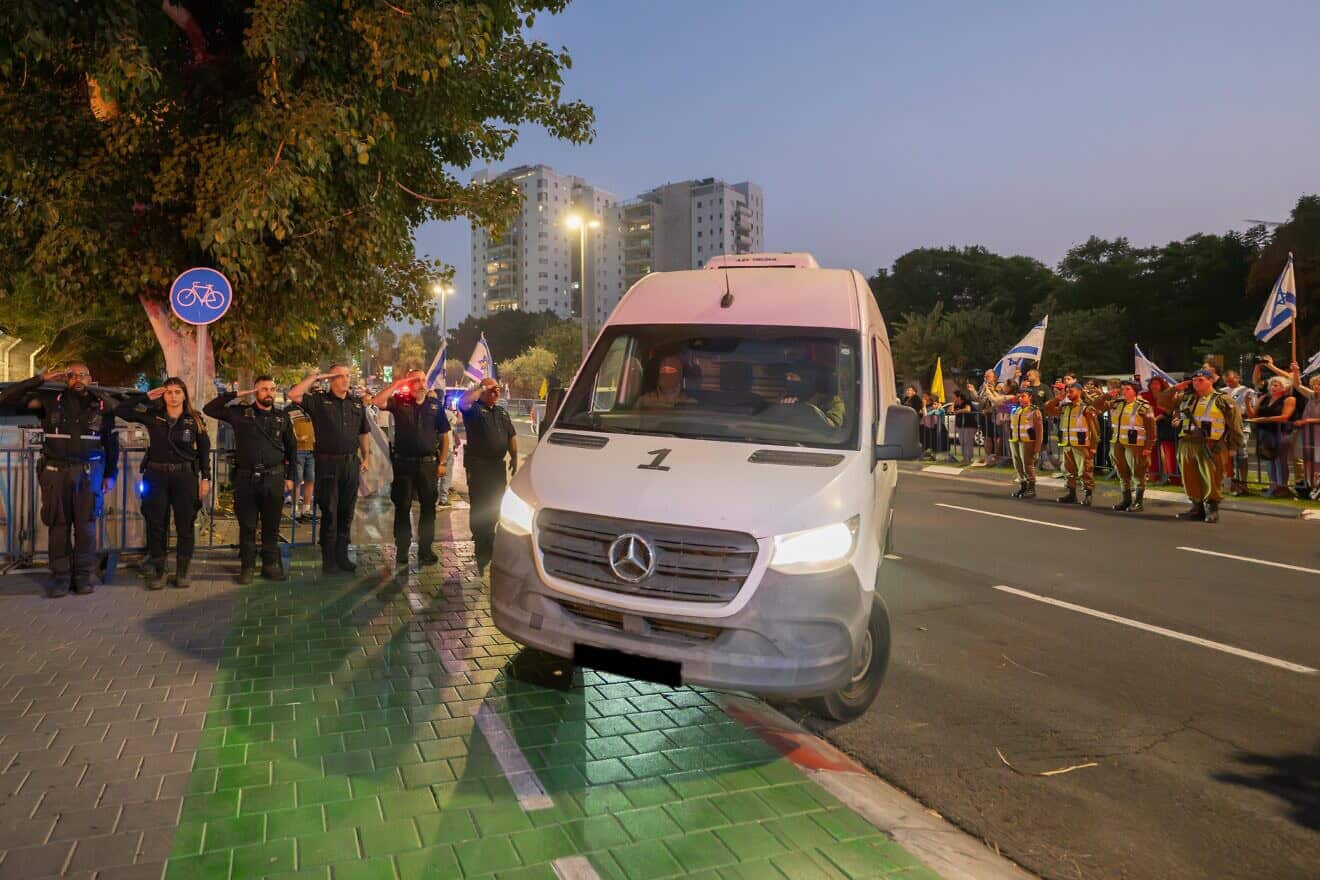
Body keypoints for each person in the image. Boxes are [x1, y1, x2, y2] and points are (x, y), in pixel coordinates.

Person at [0, 364, 119, 597]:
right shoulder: (49, 401)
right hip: (55, 473)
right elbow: (6, 397)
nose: (77, 379)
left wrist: (110, 475)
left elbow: (111, 444)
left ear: (90, 378)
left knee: (86, 528)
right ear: (65, 379)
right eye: (71, 375)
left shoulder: (103, 405)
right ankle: (61, 579)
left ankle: (82, 578)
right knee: (58, 527)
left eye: (82, 375)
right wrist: (40, 379)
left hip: (89, 474)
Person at [115, 379, 211, 589]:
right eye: (169, 392)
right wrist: (145, 397)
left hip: (184, 477)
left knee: (185, 525)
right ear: (163, 395)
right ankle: (160, 571)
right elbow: (121, 410)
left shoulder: (195, 419)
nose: (173, 396)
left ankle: (182, 572)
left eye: (177, 392)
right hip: (156, 476)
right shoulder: (153, 415)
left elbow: (204, 450)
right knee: (156, 524)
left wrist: (206, 478)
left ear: (184, 395)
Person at [205, 376, 297, 583]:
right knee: (247, 525)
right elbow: (209, 409)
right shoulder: (240, 413)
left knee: (271, 525)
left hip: (274, 477)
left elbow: (292, 448)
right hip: (246, 478)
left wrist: (291, 477)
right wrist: (237, 393)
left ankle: (269, 565)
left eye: (272, 389)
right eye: (263, 389)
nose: (269, 393)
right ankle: (247, 566)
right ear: (255, 392)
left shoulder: (282, 417)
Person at [289, 365, 371, 572]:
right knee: (330, 512)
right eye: (340, 376)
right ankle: (329, 559)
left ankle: (342, 556)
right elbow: (294, 394)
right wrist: (317, 377)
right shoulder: (319, 401)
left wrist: (366, 456)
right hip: (328, 464)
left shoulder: (356, 403)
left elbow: (363, 432)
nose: (345, 379)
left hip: (350, 463)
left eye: (347, 376)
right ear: (331, 379)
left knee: (346, 512)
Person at [373, 369, 452, 566]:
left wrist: (442, 462)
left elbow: (444, 436)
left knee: (428, 508)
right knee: (402, 507)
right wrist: (398, 383)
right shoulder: (400, 401)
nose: (421, 383)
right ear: (409, 382)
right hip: (404, 464)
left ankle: (425, 550)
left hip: (428, 465)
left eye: (424, 380)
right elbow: (377, 401)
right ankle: (402, 550)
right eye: (416, 380)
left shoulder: (434, 405)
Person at [1158, 369, 1244, 521]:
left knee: (1212, 477)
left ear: (1211, 380)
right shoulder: (1185, 397)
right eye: (1194, 380)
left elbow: (1235, 425)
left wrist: (1233, 446)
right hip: (1187, 442)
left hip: (1211, 444)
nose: (1196, 383)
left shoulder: (1223, 399)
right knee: (1189, 477)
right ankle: (1196, 508)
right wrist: (1176, 388)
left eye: (1201, 380)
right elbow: (1162, 401)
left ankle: (1212, 509)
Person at [460, 377, 518, 574]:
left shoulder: (501, 412)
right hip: (479, 466)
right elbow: (463, 402)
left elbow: (511, 435)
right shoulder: (474, 410)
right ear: (483, 390)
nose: (495, 392)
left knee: (495, 503)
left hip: (496, 468)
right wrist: (482, 387)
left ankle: (488, 537)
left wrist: (514, 456)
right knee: (479, 504)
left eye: (497, 390)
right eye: (491, 390)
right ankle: (480, 541)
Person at [1044, 382, 1099, 505]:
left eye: (1071, 391)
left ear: (1079, 392)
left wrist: (1093, 447)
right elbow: (1048, 409)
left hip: (1082, 445)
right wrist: (1058, 398)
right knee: (1069, 471)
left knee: (1085, 471)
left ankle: (1088, 495)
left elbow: (1095, 430)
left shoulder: (1086, 408)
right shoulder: (1065, 407)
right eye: (1067, 391)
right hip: (1068, 444)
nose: (1068, 394)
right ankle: (1071, 494)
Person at [1245, 374, 1297, 499]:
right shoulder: (1264, 398)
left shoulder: (1289, 399)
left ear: (1284, 388)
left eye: (1276, 385)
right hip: (1264, 432)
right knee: (1269, 460)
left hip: (1280, 432)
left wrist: (1264, 419)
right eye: (1272, 385)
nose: (1273, 387)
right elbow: (1253, 415)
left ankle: (1282, 487)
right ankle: (1273, 486)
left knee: (1280, 460)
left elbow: (1285, 417)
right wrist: (1247, 403)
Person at [1108, 379, 1156, 512]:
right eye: (1122, 389)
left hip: (1135, 445)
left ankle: (1138, 502)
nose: (1124, 391)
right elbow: (1097, 406)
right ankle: (1126, 500)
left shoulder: (1144, 406)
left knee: (1138, 473)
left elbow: (1151, 429)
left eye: (1127, 389)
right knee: (1122, 473)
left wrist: (1148, 447)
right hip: (1117, 443)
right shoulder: (1116, 404)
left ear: (1135, 391)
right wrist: (1107, 395)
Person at [1220, 370, 1253, 495]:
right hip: (1224, 428)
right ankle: (1230, 482)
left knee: (1241, 454)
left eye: (1231, 380)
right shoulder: (1221, 391)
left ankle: (1243, 482)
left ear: (1238, 377)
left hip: (1241, 427)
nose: (1228, 382)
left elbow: (1250, 411)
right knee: (1226, 456)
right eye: (1226, 380)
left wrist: (1235, 415)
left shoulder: (1247, 391)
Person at [1143, 376, 1179, 485]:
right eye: (1152, 383)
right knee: (1152, 451)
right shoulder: (1145, 395)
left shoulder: (1167, 395)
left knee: (1169, 452)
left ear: (1162, 385)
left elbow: (1172, 409)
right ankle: (1154, 475)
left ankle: (1173, 477)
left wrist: (1160, 416)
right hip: (1150, 427)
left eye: (1157, 383)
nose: (1154, 386)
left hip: (1165, 427)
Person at [1007, 386, 1042, 498]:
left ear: (1030, 397)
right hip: (1015, 440)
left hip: (1027, 441)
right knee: (1017, 464)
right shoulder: (1016, 409)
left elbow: (1039, 430)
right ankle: (1023, 485)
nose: (1020, 398)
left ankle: (1031, 488)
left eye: (1023, 396)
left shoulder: (1034, 410)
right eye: (1019, 396)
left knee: (1027, 464)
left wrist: (1037, 446)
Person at [288, 404, 316, 521]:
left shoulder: (311, 408)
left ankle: (306, 509)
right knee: (297, 480)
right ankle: (295, 510)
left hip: (312, 450)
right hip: (297, 450)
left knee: (310, 479)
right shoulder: (289, 410)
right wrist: (297, 439)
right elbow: (287, 430)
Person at [950, 390, 979, 464]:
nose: (953, 398)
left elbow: (968, 409)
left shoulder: (967, 402)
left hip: (969, 425)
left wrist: (959, 411)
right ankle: (965, 458)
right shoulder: (957, 404)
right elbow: (952, 411)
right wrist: (953, 404)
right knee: (962, 442)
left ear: (959, 397)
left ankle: (969, 458)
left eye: (954, 397)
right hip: (961, 425)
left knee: (968, 442)